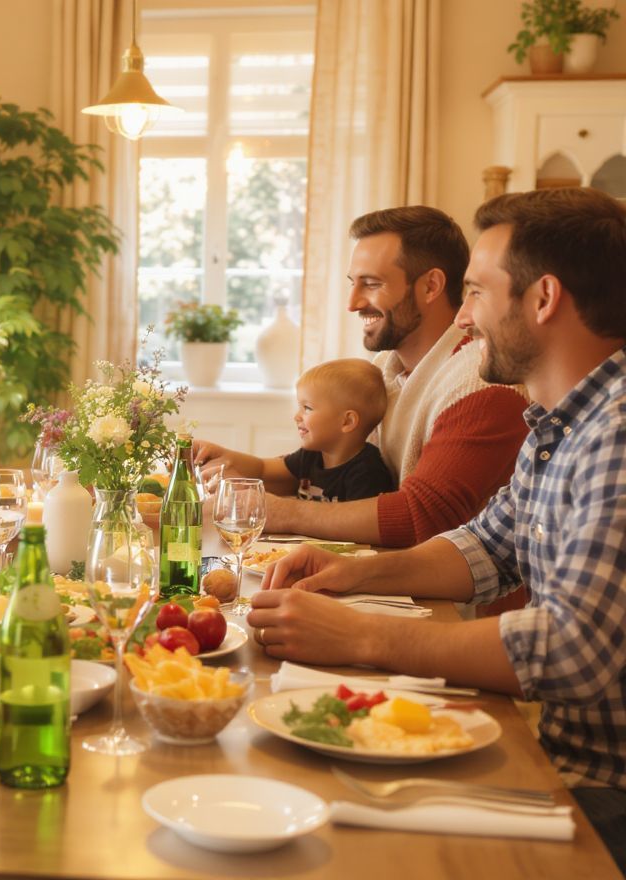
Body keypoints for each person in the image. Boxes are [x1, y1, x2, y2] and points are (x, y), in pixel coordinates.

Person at [248, 188, 626, 871]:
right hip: (556, 756)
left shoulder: (616, 435)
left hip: (600, 791)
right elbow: (486, 544)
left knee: (325, 837)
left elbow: (574, 649)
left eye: (476, 292)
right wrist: (353, 571)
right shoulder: (562, 423)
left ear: (542, 299)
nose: (464, 316)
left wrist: (363, 634)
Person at [197, 206, 529, 547]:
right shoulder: (388, 365)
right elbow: (333, 477)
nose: (353, 303)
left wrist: (282, 512)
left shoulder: (482, 384)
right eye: (352, 284)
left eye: (371, 284)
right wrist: (243, 469)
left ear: (431, 286)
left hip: (448, 600)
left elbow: (420, 517)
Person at [202, 358, 393, 503]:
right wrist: (222, 457)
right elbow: (262, 468)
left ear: (347, 421)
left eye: (307, 408)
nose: (297, 416)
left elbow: (356, 527)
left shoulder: (367, 472)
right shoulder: (311, 456)